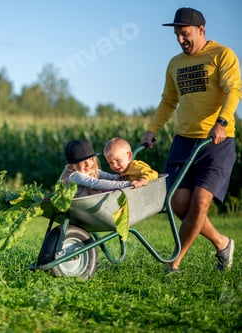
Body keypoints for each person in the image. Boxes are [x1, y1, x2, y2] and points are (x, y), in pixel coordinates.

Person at [141, 7, 240, 272]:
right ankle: (222, 243)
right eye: (176, 35)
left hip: (216, 142)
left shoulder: (222, 55)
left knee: (200, 203)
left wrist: (222, 122)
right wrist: (152, 131)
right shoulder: (175, 64)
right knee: (179, 204)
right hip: (184, 142)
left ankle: (174, 261)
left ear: (201, 30)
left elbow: (234, 90)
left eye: (184, 34)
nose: (180, 40)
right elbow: (169, 101)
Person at [59, 139, 132, 198]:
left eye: (91, 159)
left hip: (90, 206)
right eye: (84, 162)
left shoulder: (90, 171)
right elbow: (96, 183)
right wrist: (128, 184)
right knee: (99, 188)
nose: (89, 164)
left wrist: (122, 177)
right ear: (72, 166)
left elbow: (108, 176)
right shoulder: (75, 176)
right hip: (83, 209)